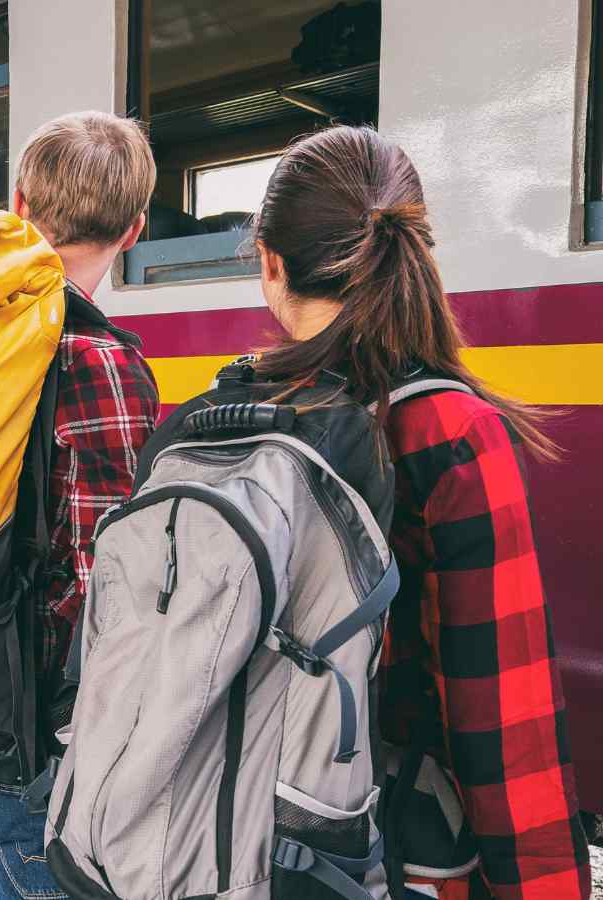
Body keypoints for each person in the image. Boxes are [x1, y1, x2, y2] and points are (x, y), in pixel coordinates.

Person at [249, 125, 590, 900]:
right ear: (413, 246)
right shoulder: (450, 434)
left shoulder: (233, 417)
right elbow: (505, 719)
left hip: (237, 840)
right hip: (387, 851)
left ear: (270, 262)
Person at [0, 111, 160, 900]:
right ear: (136, 229)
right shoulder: (98, 362)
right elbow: (105, 579)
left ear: (18, 205)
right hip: (30, 740)